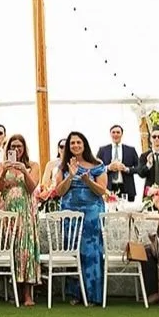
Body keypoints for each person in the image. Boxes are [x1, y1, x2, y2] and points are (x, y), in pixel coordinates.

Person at [58, 131, 108, 305]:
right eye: (72, 143)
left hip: (92, 212)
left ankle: (93, 294)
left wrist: (87, 180)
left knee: (92, 252)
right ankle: (75, 294)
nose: (76, 146)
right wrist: (71, 176)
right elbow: (59, 191)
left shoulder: (97, 165)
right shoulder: (64, 166)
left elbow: (102, 190)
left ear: (84, 144)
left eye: (78, 142)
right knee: (74, 251)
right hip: (70, 212)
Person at [0, 133, 40, 306]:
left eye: (19, 146)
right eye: (12, 147)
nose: (16, 149)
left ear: (24, 148)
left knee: (25, 249)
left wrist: (23, 171)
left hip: (25, 211)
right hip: (7, 210)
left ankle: (28, 293)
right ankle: (13, 290)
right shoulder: (1, 165)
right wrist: (5, 170)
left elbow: (32, 188)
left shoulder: (32, 165)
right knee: (11, 248)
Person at [97, 125, 139, 201]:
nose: (115, 134)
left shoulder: (131, 150)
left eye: (118, 132)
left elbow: (139, 168)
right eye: (113, 132)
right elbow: (96, 168)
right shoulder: (103, 150)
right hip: (109, 187)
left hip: (127, 188)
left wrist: (126, 169)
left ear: (122, 134)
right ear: (110, 134)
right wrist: (108, 168)